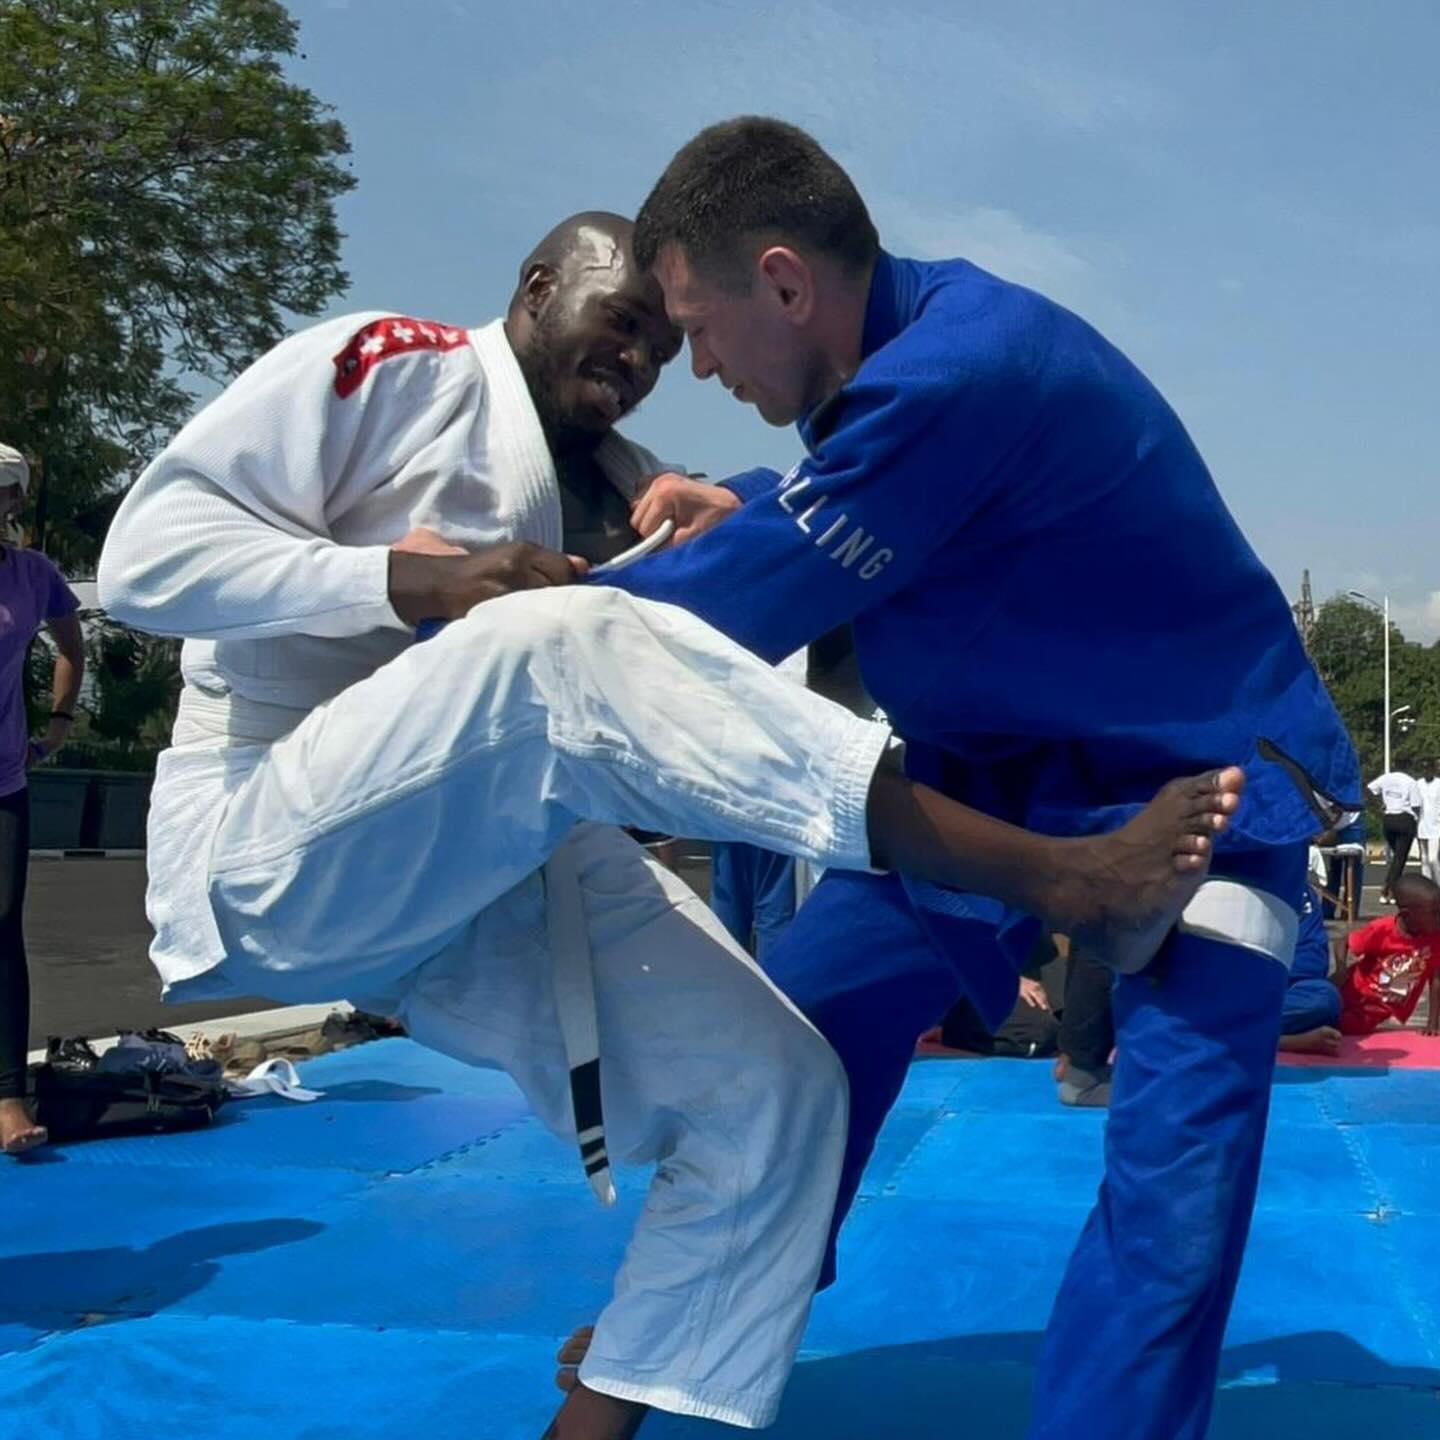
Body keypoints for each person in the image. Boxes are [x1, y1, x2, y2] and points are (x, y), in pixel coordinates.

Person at [96, 214, 1239, 1440]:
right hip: (268, 834)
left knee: (779, 1092)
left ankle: (597, 1424)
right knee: (554, 642)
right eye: (623, 323)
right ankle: (1055, 878)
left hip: (472, 876)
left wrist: (740, 514)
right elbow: (145, 560)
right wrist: (403, 578)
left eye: (662, 340)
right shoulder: (396, 365)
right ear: (538, 286)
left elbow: (763, 596)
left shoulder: (629, 480)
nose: (641, 359)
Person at [586, 118, 1361, 1440]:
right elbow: (891, 499)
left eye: (701, 330)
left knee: (1171, 1207)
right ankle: (688, 1321)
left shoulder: (962, 369)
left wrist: (462, 624)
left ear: (784, 282)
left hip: (1203, 790)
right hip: (993, 788)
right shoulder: (902, 361)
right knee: (784, 1051)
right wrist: (762, 497)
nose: (697, 366)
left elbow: (720, 614)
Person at [0, 442, 85, 1156]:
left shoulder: (33, 576)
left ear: (13, 500)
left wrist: (57, 724)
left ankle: (7, 1097)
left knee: (2, 931)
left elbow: (71, 647)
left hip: (3, 781)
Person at [1334, 873, 1440, 1036]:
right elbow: (1343, 942)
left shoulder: (1434, 939)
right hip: (1352, 990)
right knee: (1319, 1005)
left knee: (1350, 1025)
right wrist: (1341, 969)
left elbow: (1436, 979)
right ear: (1407, 914)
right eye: (1434, 913)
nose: (1439, 918)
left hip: (1377, 1008)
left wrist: (1433, 1022)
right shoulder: (1382, 929)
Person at [1277, 885, 1343, 1054]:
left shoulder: (1301, 891)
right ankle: (1281, 1041)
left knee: (1326, 998)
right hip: (1240, 985)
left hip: (1285, 986)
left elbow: (1312, 959)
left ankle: (1250, 1033)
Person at [1368, 765, 1422, 904]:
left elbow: (1370, 789)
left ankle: (1389, 888)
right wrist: (1418, 819)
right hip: (1405, 819)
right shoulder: (1410, 781)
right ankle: (1389, 890)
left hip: (1389, 819)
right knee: (1400, 858)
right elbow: (1416, 804)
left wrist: (1381, 804)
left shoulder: (1386, 778)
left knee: (1397, 858)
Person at [1418, 759, 1440, 885]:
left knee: (1433, 858)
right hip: (1422, 825)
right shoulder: (1418, 784)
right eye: (1424, 769)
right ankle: (1427, 887)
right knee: (1424, 859)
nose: (1426, 771)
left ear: (1433, 769)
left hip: (1436, 826)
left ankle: (1438, 884)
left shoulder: (1439, 784)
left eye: (1428, 768)